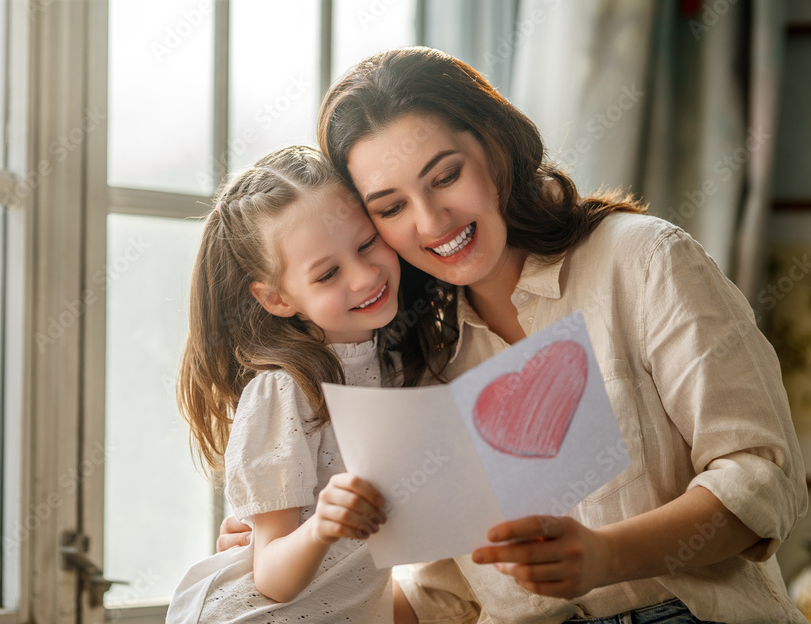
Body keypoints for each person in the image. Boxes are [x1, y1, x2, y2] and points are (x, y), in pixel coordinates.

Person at [223, 47, 808, 623]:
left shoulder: (644, 260)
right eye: (391, 208)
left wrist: (607, 555)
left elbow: (762, 477)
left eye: (445, 176)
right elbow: (444, 597)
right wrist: (296, 569)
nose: (431, 222)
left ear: (495, 143)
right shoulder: (425, 354)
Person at [168, 145, 430, 623]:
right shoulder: (284, 392)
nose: (365, 274)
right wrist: (322, 526)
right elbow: (271, 576)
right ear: (276, 298)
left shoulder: (398, 367)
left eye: (367, 242)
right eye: (328, 273)